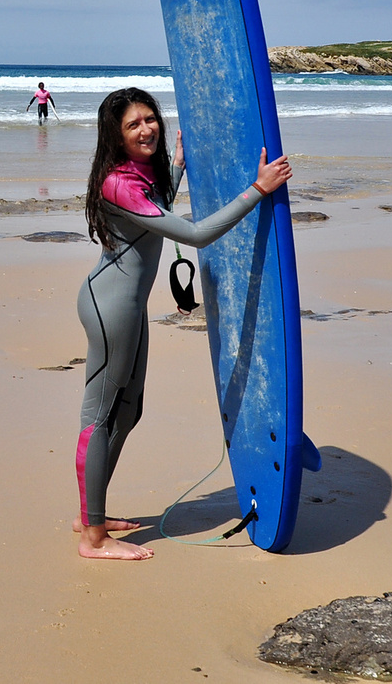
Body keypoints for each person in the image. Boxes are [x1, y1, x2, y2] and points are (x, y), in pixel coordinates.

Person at [73, 87, 291, 560]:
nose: (146, 128)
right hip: (111, 309)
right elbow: (193, 233)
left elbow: (159, 215)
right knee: (100, 419)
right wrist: (259, 189)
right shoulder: (119, 183)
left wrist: (175, 165)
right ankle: (93, 537)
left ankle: (91, 511)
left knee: (128, 413)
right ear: (116, 135)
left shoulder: (140, 176)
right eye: (133, 125)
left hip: (128, 307)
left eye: (149, 118)